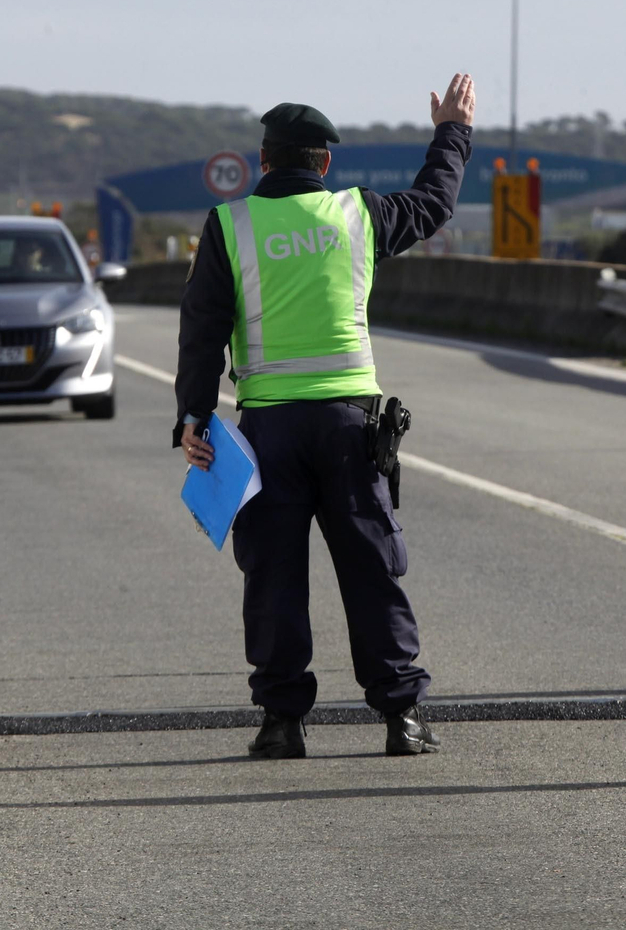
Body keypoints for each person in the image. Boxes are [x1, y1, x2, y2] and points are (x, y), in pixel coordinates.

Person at [175, 75, 475, 758]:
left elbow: (201, 327)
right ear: (326, 164)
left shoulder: (231, 224)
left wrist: (193, 415)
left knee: (274, 576)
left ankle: (282, 724)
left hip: (268, 433)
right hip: (349, 431)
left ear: (264, 161)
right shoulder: (358, 214)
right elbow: (434, 203)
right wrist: (452, 131)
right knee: (371, 571)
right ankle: (400, 717)